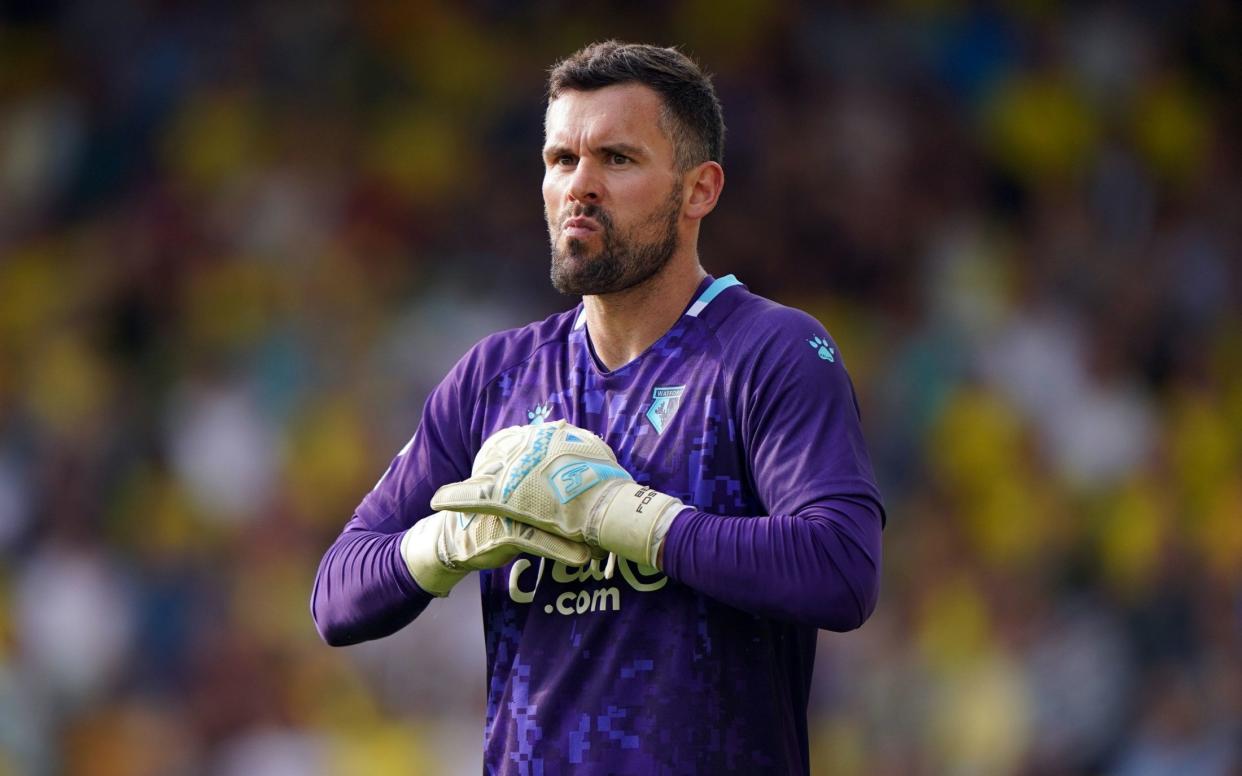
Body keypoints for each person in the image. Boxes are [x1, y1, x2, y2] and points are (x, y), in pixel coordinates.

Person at [311, 40, 885, 775]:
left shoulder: (769, 352)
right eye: (560, 161)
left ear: (698, 190)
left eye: (616, 159)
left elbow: (839, 569)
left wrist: (632, 522)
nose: (579, 186)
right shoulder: (496, 377)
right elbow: (337, 594)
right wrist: (451, 540)